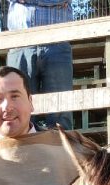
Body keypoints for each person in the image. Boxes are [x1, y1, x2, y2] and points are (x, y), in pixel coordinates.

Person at [6, 0, 73, 130]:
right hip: (19, 44)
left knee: (61, 112)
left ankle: (60, 148)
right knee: (19, 108)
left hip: (58, 41)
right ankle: (23, 149)